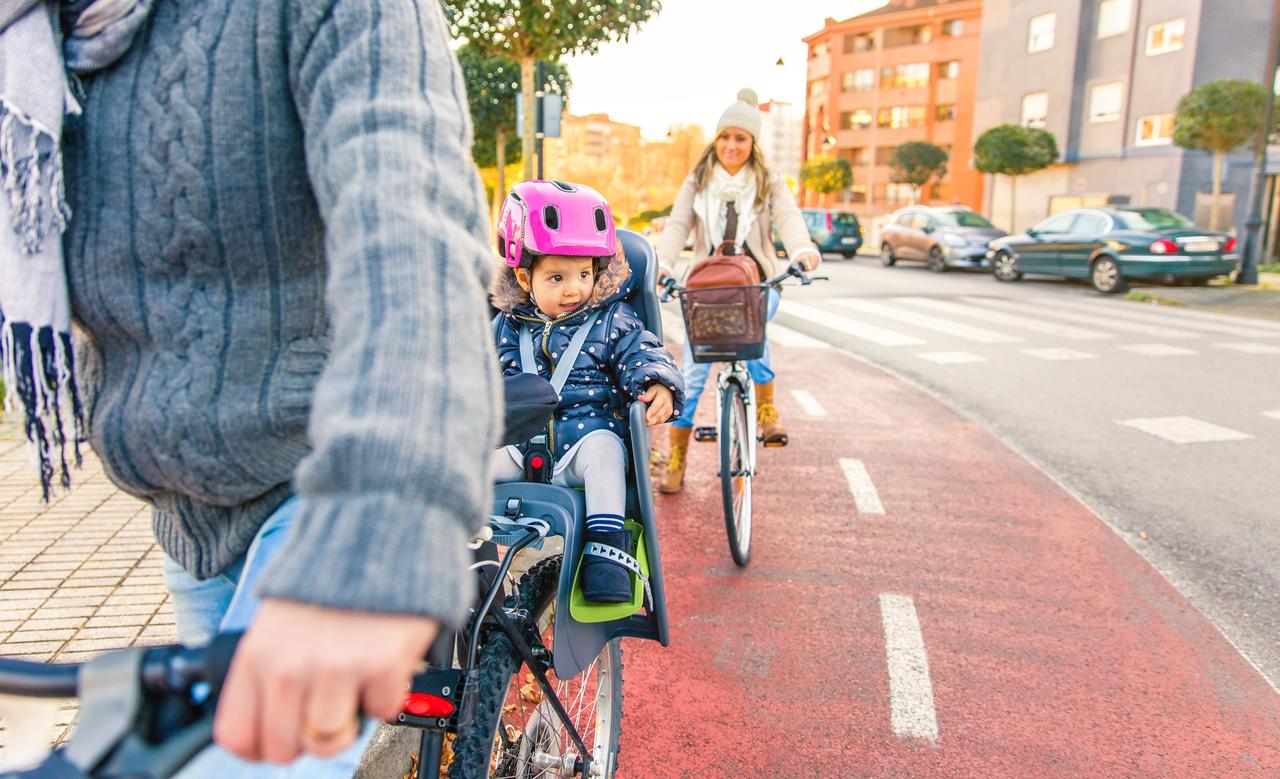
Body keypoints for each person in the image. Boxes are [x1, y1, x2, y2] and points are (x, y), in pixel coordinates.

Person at [0, 0, 497, 775]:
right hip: (185, 523)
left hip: (323, 491)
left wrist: (383, 525)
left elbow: (414, 236)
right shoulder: (28, 44)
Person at [490, 181, 684, 601]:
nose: (573, 289)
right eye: (556, 277)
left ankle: (605, 552)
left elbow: (643, 352)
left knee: (605, 450)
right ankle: (460, 551)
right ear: (525, 278)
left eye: (583, 274)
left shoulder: (612, 319)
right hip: (519, 446)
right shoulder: (506, 326)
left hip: (580, 448)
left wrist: (657, 383)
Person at [654, 88, 821, 494]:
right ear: (717, 139)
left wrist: (802, 251)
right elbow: (677, 226)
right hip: (707, 288)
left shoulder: (768, 180)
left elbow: (789, 217)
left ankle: (765, 409)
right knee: (692, 373)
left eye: (741, 138)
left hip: (758, 281)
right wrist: (661, 264)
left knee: (755, 325)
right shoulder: (698, 180)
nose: (731, 145)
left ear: (753, 143)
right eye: (725, 137)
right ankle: (676, 459)